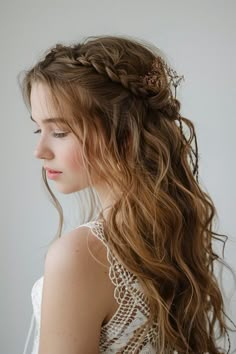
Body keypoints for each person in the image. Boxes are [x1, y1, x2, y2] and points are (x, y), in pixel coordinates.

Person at [18, 35, 236, 353]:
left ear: (124, 133)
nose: (40, 151)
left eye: (60, 132)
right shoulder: (164, 234)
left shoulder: (79, 255)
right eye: (40, 129)